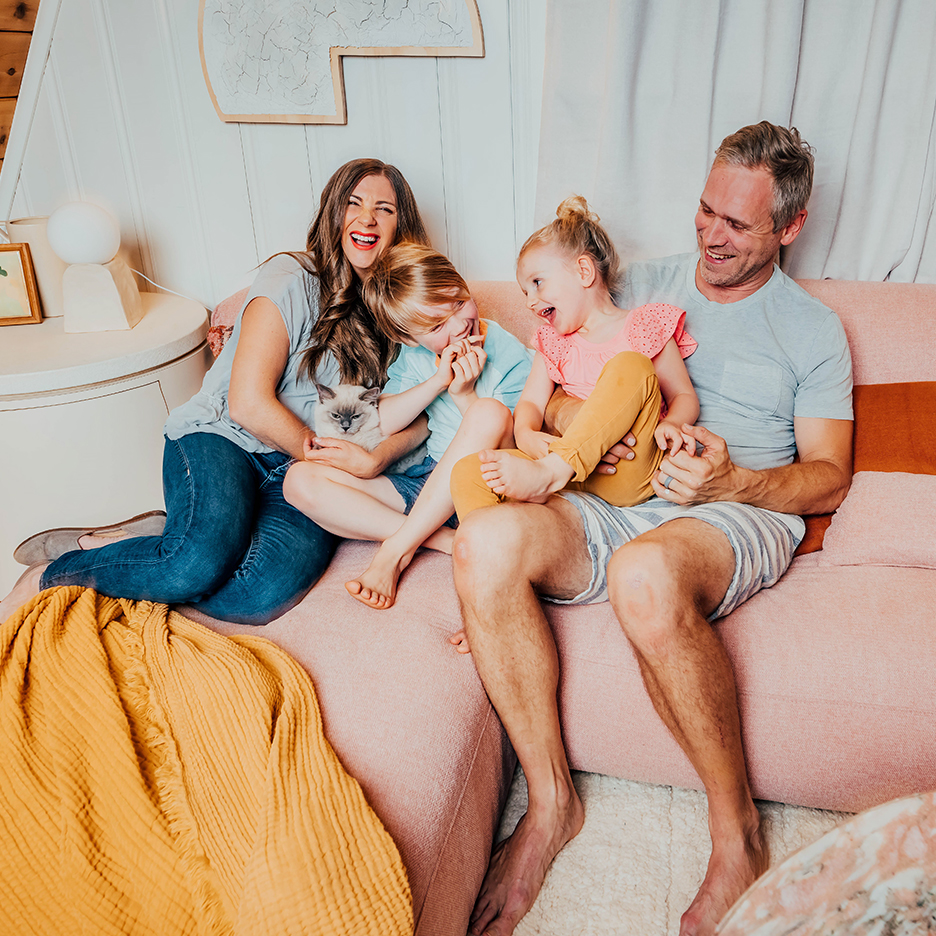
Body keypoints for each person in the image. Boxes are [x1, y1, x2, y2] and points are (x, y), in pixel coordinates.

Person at [452, 121, 854, 936]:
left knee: (644, 570)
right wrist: (593, 427)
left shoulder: (812, 330)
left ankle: (736, 829)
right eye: (706, 210)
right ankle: (551, 803)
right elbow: (565, 369)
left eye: (737, 224)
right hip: (610, 493)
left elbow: (830, 473)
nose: (710, 234)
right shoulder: (646, 287)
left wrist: (734, 477)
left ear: (791, 227)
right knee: (483, 543)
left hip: (733, 508)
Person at [3, 158, 431, 626]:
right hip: (225, 439)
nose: (367, 218)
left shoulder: (401, 314)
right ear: (334, 212)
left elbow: (419, 413)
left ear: (399, 225)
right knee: (195, 563)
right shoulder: (292, 278)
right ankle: (52, 574)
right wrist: (319, 458)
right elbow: (250, 403)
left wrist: (375, 458)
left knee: (257, 596)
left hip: (303, 473)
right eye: (354, 203)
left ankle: (159, 540)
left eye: (383, 209)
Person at [283, 242, 532, 610]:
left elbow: (514, 447)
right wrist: (437, 382)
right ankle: (442, 540)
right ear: (406, 337)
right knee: (298, 481)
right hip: (429, 484)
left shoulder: (507, 353)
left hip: (483, 488)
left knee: (491, 413)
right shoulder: (413, 355)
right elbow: (383, 419)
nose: (461, 323)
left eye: (461, 301)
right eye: (436, 325)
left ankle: (397, 549)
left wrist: (464, 395)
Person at [449, 194, 699, 518]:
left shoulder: (644, 325)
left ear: (583, 271)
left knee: (630, 365)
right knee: (468, 472)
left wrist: (674, 424)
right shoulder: (553, 341)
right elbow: (530, 405)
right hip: (567, 476)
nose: (530, 302)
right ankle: (499, 548)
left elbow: (683, 395)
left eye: (537, 283)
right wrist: (525, 436)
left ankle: (552, 471)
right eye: (525, 292)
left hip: (624, 470)